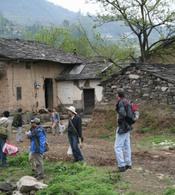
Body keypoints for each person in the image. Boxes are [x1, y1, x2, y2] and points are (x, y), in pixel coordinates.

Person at [114, 90, 132, 172]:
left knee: (117, 147)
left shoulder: (121, 102)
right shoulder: (127, 102)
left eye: (116, 95)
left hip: (123, 127)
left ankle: (121, 166)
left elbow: (123, 114)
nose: (115, 96)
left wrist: (120, 123)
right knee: (126, 146)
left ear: (118, 95)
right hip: (128, 126)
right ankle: (128, 164)